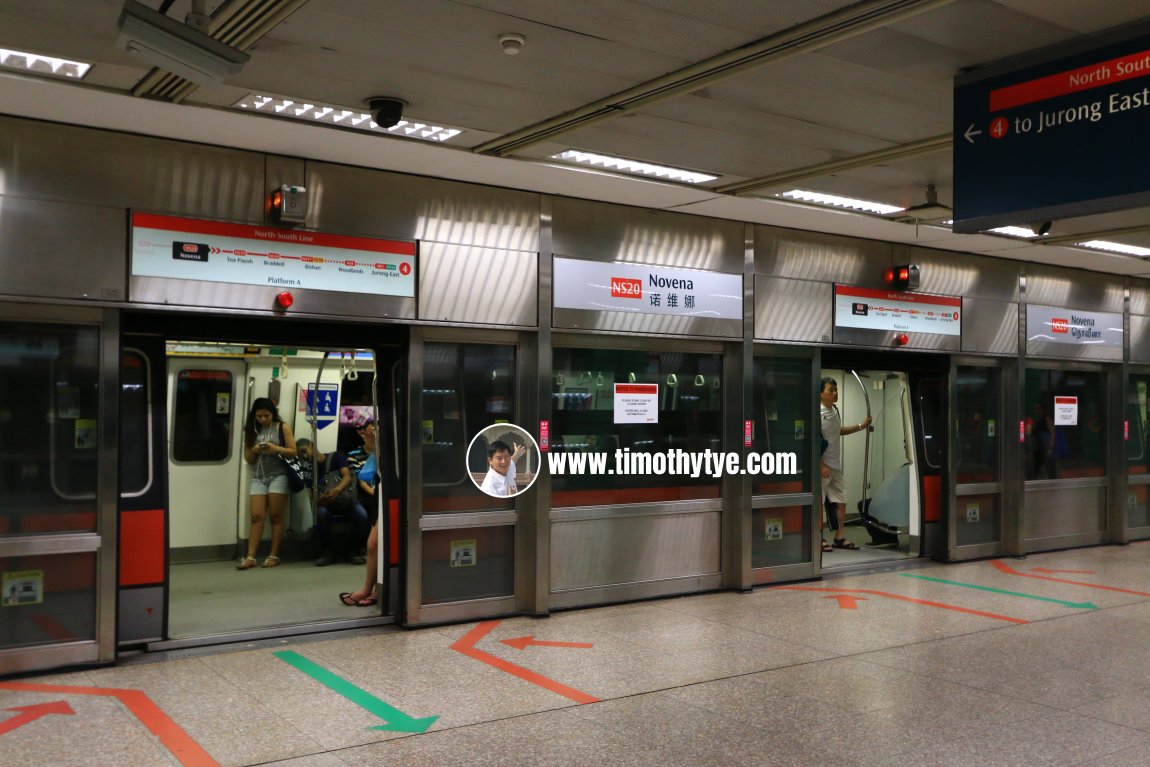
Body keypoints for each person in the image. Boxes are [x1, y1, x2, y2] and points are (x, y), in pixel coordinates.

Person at [238, 397, 296, 570]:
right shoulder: (252, 430)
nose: (263, 419)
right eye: (259, 416)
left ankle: (273, 555)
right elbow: (248, 460)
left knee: (276, 516)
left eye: (266, 416)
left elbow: (293, 452)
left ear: (273, 414)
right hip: (259, 477)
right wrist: (254, 450)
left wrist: (275, 448)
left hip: (279, 475)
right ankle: (250, 557)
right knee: (256, 516)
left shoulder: (282, 427)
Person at [297, 438, 368, 567]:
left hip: (345, 498)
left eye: (304, 451)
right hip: (327, 503)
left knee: (362, 515)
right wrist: (319, 500)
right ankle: (327, 552)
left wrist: (336, 490)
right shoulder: (310, 470)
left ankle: (352, 550)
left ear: (312, 445)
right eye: (301, 455)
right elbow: (310, 494)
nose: (305, 456)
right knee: (321, 514)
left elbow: (347, 476)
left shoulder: (336, 456)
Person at [819, 377, 871, 552]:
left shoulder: (835, 410)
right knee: (818, 503)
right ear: (820, 393)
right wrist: (821, 465)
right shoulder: (817, 413)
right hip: (822, 465)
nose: (835, 393)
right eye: (830, 390)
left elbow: (838, 431)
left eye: (836, 390)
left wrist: (860, 426)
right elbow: (812, 440)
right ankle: (817, 538)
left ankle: (839, 537)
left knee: (841, 501)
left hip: (835, 464)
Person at [340, 419, 383, 607]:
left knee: (375, 544)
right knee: (375, 545)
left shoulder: (396, 440)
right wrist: (374, 448)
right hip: (380, 493)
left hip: (391, 493)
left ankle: (375, 590)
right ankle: (370, 589)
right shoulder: (361, 451)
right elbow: (365, 475)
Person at [1026, 402, 1059, 479]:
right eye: (1035, 409)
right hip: (1036, 450)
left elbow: (1053, 434)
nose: (1036, 411)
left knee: (1051, 472)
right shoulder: (1034, 422)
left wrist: (1050, 447)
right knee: (1033, 472)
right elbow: (1029, 434)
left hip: (1046, 449)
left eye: (1038, 408)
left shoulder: (1047, 420)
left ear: (1042, 410)